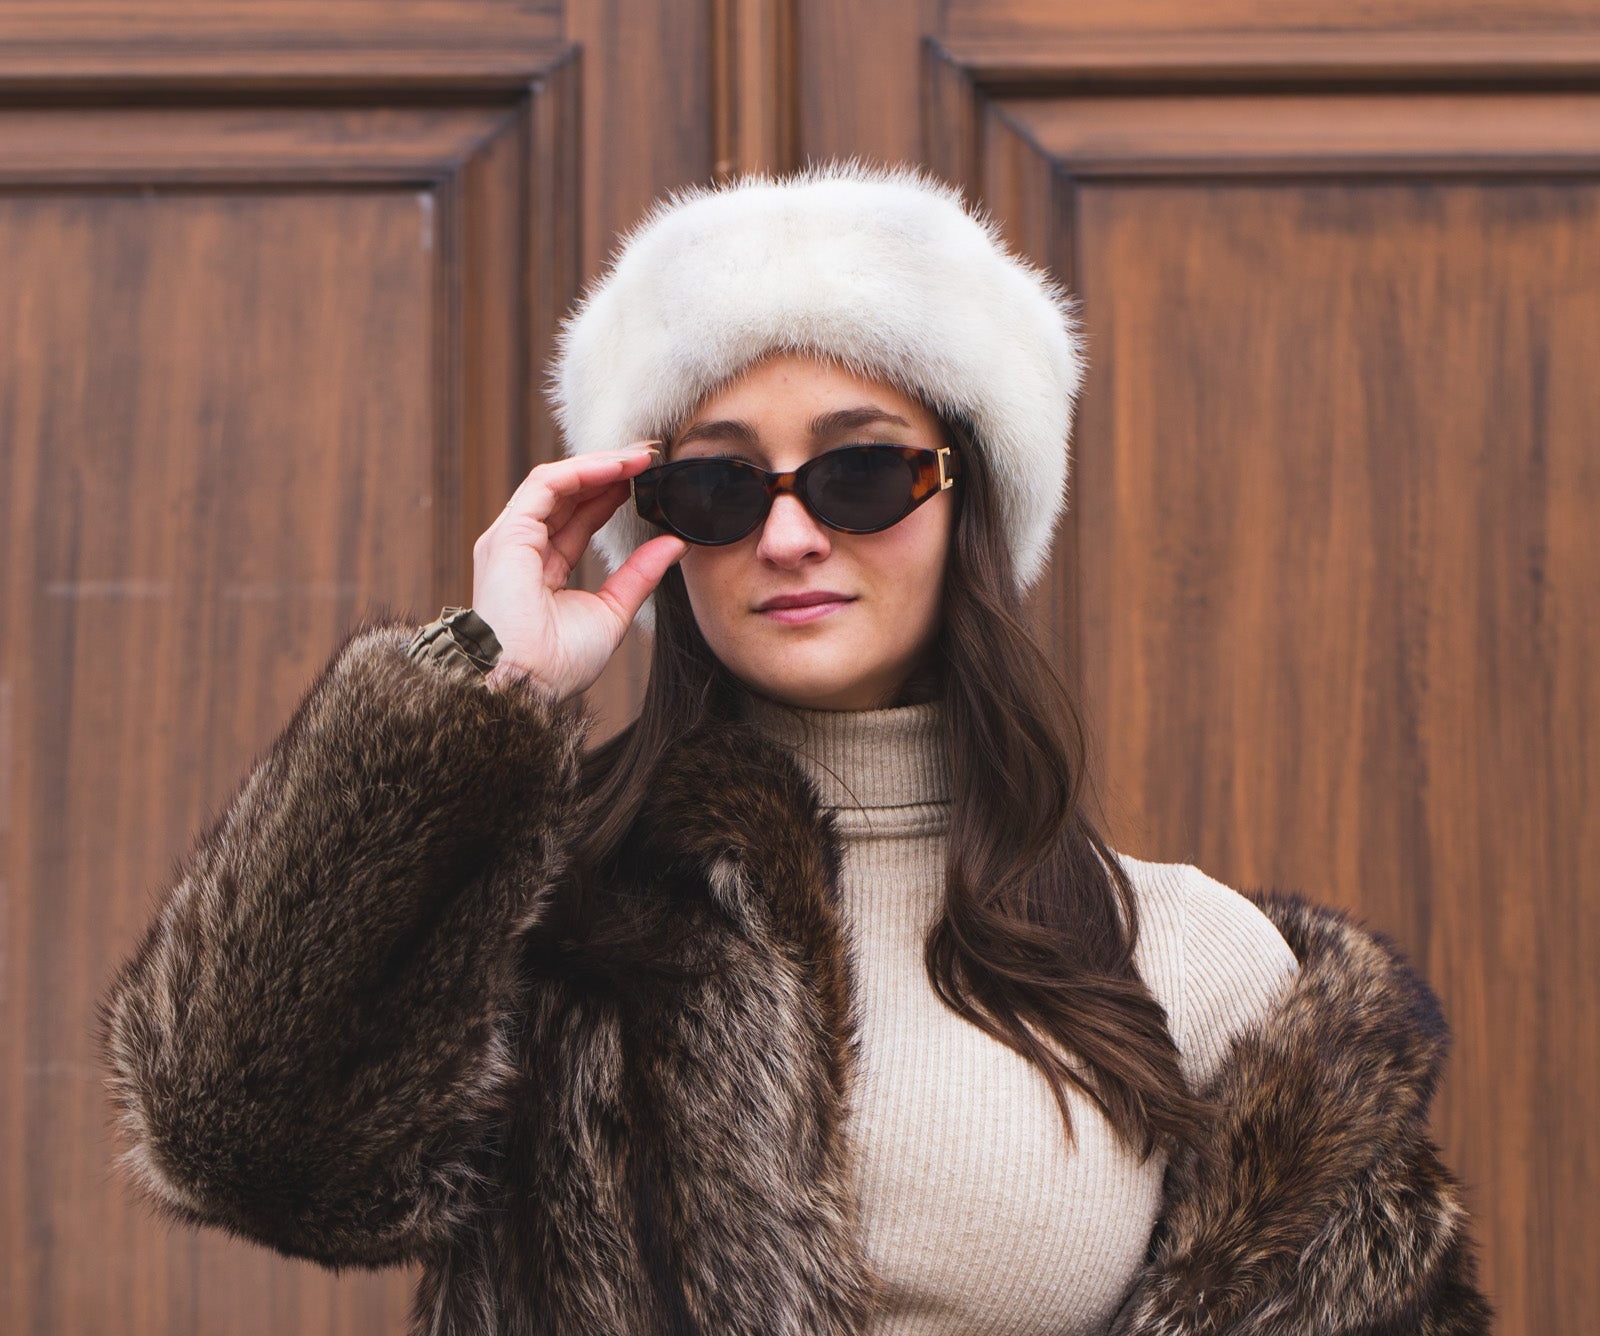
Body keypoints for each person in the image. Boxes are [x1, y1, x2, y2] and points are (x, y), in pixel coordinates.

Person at [96, 157, 1492, 1335]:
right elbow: (236, 1142)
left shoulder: (1192, 959)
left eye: (861, 470)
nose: (787, 534)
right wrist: (481, 677)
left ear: (968, 499)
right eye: (715, 486)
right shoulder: (546, 915)